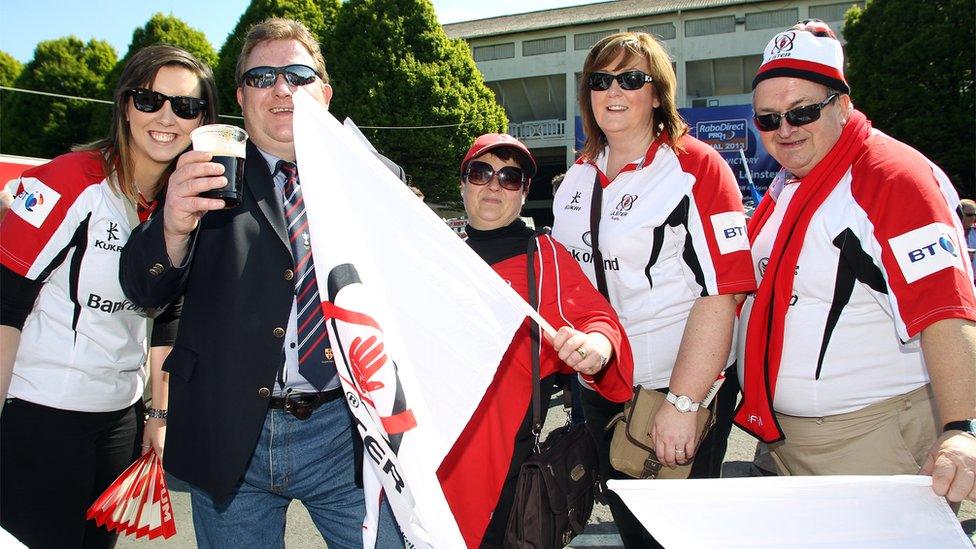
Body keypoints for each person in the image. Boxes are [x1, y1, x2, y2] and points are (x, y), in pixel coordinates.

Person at [119, 19, 403, 548]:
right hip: (228, 433)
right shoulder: (201, 172)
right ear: (240, 96)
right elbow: (144, 291)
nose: (281, 88)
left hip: (347, 432)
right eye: (262, 76)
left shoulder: (375, 176)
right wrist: (173, 226)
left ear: (324, 90)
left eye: (297, 73)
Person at [735, 19, 976, 504]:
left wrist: (961, 428)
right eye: (767, 119)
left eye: (801, 112)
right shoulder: (792, 181)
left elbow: (946, 309)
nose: (784, 130)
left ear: (842, 105)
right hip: (786, 442)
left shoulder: (891, 177)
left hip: (869, 443)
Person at [0, 44, 216, 549]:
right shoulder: (70, 179)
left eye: (185, 107)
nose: (167, 117)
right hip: (40, 413)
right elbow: (5, 308)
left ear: (203, 122)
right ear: (125, 104)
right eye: (150, 100)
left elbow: (168, 316)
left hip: (120, 417)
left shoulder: (183, 203)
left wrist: (156, 418)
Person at [551, 32, 756, 547]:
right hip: (601, 387)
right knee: (629, 523)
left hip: (675, 388)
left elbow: (724, 292)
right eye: (600, 80)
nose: (613, 91)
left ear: (658, 93)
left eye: (631, 79)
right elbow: (568, 284)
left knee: (679, 535)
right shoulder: (577, 176)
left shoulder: (695, 167)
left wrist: (685, 404)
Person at [437, 133, 633, 548]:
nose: (493, 185)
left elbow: (598, 318)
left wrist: (595, 347)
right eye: (481, 172)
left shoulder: (543, 255)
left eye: (510, 178)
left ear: (523, 194)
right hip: (430, 447)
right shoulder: (437, 253)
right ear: (463, 184)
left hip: (500, 451)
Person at [961, 198, 975, 277]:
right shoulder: (951, 231)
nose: (973, 218)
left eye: (975, 215)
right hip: (963, 278)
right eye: (969, 215)